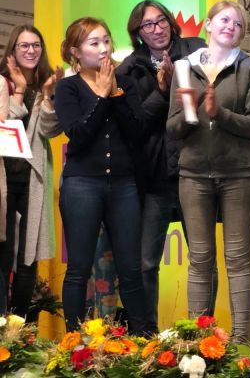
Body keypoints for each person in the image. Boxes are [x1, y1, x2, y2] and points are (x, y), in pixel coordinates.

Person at [167, 0, 250, 341]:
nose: (230, 27)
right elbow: (173, 129)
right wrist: (190, 111)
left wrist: (218, 113)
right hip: (193, 174)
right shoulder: (183, 68)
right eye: (224, 20)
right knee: (200, 258)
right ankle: (197, 341)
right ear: (208, 25)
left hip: (239, 174)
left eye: (238, 24)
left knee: (237, 258)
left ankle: (239, 339)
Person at [54, 17, 154, 334]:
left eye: (106, 41)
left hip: (124, 184)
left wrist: (115, 94)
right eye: (94, 42)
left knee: (131, 269)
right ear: (75, 51)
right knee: (78, 269)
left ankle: (143, 341)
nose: (103, 48)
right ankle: (73, 342)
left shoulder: (124, 83)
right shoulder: (67, 87)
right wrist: (99, 97)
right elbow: (78, 135)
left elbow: (138, 130)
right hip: (82, 183)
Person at [116, 0, 209, 327]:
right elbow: (135, 125)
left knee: (202, 259)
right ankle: (146, 336)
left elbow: (210, 97)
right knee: (145, 263)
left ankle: (204, 336)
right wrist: (161, 89)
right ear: (138, 32)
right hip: (153, 176)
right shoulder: (127, 70)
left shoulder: (197, 51)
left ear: (170, 22)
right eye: (148, 25)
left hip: (193, 169)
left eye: (161, 21)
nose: (156, 29)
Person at [0, 25, 62, 320]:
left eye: (36, 45)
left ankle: (20, 328)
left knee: (28, 259)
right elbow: (6, 128)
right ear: (13, 50)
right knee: (3, 255)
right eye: (24, 45)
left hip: (32, 179)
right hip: (3, 179)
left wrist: (48, 95)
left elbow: (51, 129)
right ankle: (3, 328)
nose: (30, 50)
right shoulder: (3, 83)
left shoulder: (47, 84)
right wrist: (19, 88)